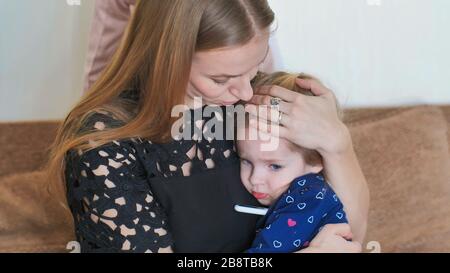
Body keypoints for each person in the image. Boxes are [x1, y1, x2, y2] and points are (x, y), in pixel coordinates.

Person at [47, 0, 369, 253]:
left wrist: (338, 144)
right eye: (220, 80)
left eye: (255, 68)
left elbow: (345, 235)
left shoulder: (255, 103)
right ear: (167, 59)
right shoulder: (104, 144)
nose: (246, 93)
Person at [236, 72, 349, 253]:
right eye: (246, 161)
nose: (255, 178)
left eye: (274, 166)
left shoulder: (309, 198)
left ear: (316, 160)